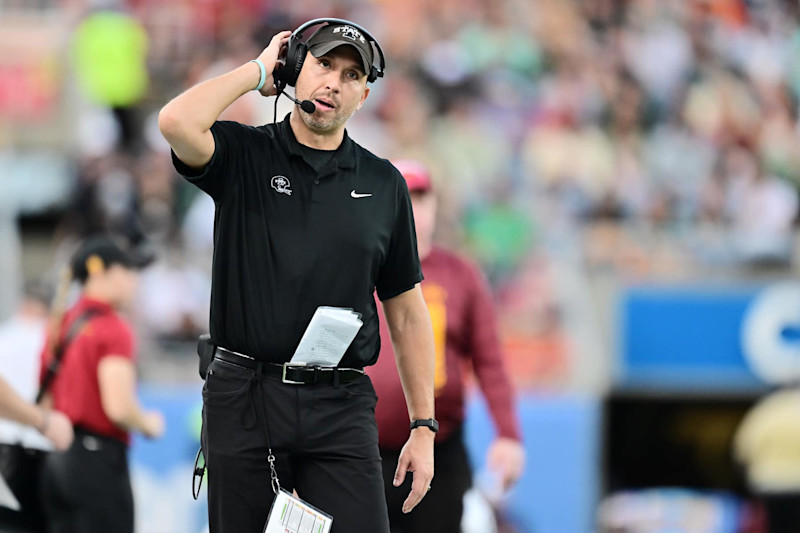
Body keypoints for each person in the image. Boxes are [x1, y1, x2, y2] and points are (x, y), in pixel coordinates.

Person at [158, 18, 436, 533]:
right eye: (324, 64)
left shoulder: (383, 184)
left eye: (351, 75)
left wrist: (423, 425)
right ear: (294, 69)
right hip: (245, 396)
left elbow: (406, 313)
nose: (334, 82)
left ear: (364, 95)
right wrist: (257, 70)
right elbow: (175, 122)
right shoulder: (245, 153)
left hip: (340, 402)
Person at [368, 159, 526, 533]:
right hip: (364, 450)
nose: (412, 208)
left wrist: (508, 434)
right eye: (402, 197)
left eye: (420, 198)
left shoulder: (460, 274)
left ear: (434, 206)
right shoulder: (359, 267)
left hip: (440, 448)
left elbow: (490, 361)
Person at [39, 235, 165, 533]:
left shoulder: (62, 322)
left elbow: (46, 402)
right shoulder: (112, 329)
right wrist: (149, 423)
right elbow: (119, 407)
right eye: (128, 270)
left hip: (56, 462)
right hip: (97, 463)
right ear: (102, 273)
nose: (135, 281)